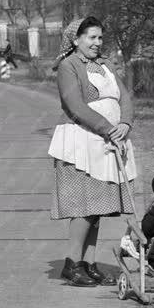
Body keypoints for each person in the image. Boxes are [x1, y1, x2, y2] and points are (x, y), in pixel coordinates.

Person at [49, 16, 137, 287]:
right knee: (83, 207)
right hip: (82, 143)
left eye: (100, 38)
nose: (97, 43)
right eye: (91, 38)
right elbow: (75, 105)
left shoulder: (106, 65)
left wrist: (124, 123)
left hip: (107, 142)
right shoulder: (68, 66)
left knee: (97, 208)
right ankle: (72, 264)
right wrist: (107, 128)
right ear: (76, 40)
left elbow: (125, 98)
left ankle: (88, 264)